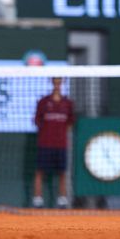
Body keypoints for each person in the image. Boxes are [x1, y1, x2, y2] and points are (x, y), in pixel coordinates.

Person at [33, 78, 75, 208]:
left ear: (62, 83)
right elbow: (37, 120)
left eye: (59, 81)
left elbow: (70, 122)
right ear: (52, 82)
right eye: (55, 81)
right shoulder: (43, 102)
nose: (57, 84)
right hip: (45, 144)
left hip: (61, 144)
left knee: (62, 172)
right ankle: (37, 200)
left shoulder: (67, 103)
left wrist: (59, 133)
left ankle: (62, 199)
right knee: (40, 171)